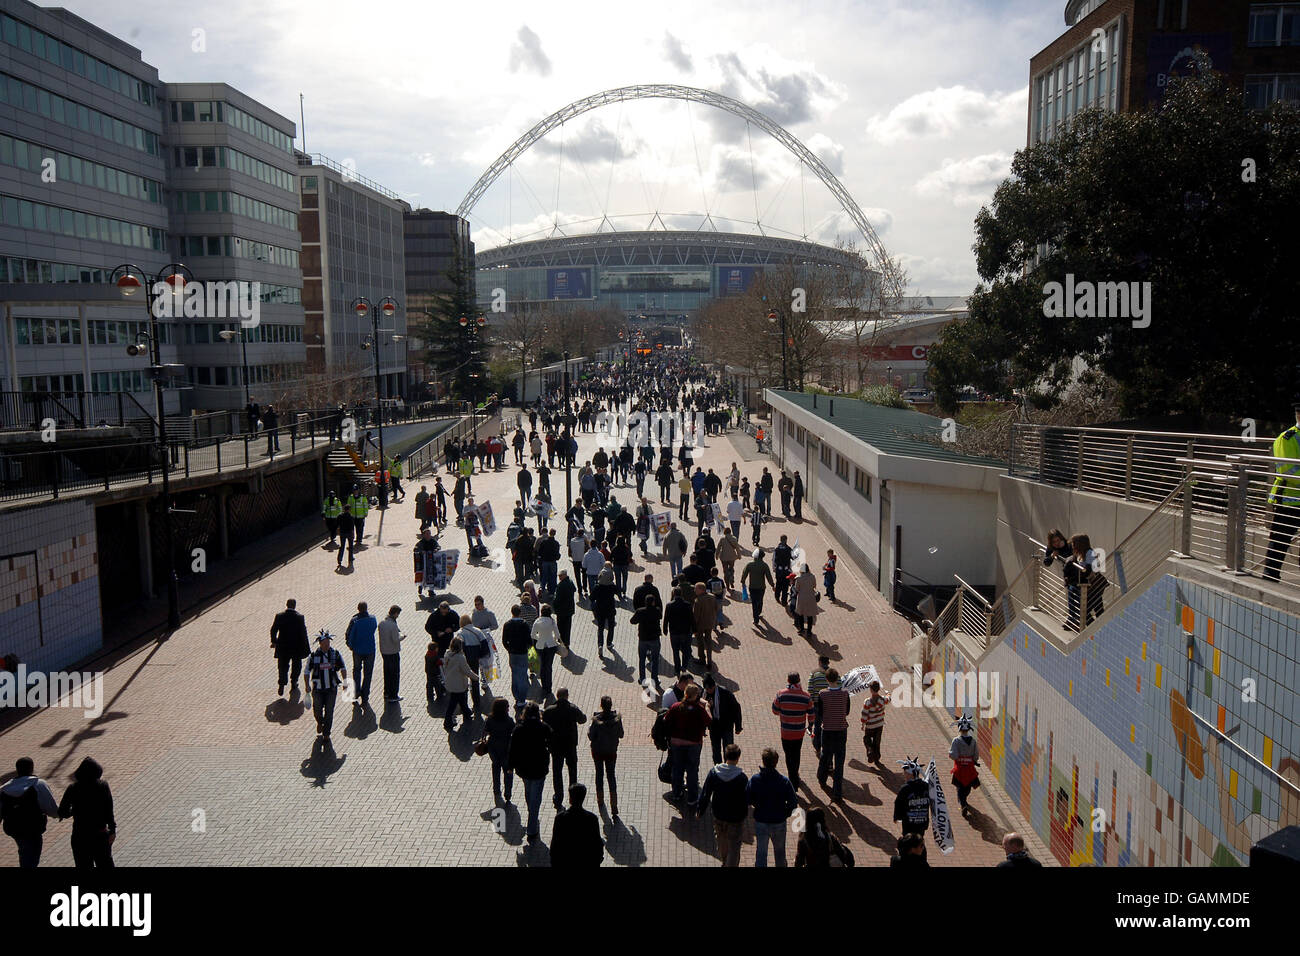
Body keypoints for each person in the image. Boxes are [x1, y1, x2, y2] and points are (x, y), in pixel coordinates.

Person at [57, 757, 115, 869]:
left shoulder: (73, 788)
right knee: (105, 864)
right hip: (100, 834)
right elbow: (109, 810)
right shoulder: (102, 786)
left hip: (80, 836)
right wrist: (112, 830)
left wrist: (74, 811)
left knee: (83, 864)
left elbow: (62, 812)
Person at [696, 743, 748, 867]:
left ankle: (725, 862)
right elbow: (747, 798)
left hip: (719, 814)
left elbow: (705, 793)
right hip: (735, 817)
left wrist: (700, 810)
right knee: (734, 846)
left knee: (722, 842)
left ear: (725, 756)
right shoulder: (742, 778)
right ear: (738, 758)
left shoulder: (714, 773)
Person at [1, 757, 60, 868]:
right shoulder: (38, 784)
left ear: (17, 770)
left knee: (24, 850)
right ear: (31, 769)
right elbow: (51, 808)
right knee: (32, 857)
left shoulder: (5, 788)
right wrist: (59, 814)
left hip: (14, 828)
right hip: (33, 828)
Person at [1265, 397, 1300, 581]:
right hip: (1288, 500)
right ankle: (1270, 577)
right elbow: (1289, 472)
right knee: (1280, 541)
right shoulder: (1287, 438)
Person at [508, 702, 554, 842]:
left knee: (528, 792)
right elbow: (551, 742)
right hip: (539, 767)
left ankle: (532, 817)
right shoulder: (543, 727)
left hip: (524, 767)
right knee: (536, 796)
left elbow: (513, 749)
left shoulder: (519, 729)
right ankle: (532, 826)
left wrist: (510, 766)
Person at [746, 747, 798, 867]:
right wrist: (785, 813)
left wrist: (756, 805)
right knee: (780, 854)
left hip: (761, 821)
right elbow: (793, 803)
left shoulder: (755, 779)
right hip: (778, 821)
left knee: (761, 854)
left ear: (763, 761)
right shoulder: (784, 781)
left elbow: (747, 798)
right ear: (776, 762)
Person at [665, 682, 712, 805]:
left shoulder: (676, 707)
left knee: (677, 768)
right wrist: (707, 707)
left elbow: (666, 719)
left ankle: (677, 793)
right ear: (696, 695)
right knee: (692, 770)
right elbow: (709, 721)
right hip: (694, 743)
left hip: (676, 743)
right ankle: (692, 798)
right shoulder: (699, 710)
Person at [772, 673, 814, 789]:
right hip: (799, 732)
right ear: (799, 680)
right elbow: (811, 713)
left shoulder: (781, 694)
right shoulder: (806, 696)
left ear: (788, 680)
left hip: (786, 731)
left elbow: (775, 710)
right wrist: (810, 724)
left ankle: (792, 778)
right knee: (796, 754)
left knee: (788, 754)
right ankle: (794, 775)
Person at [816, 668, 850, 801]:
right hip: (841, 730)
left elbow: (820, 712)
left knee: (826, 755)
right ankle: (837, 792)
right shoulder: (845, 694)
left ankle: (822, 778)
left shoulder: (822, 694)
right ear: (837, 679)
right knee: (839, 761)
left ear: (827, 679)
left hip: (828, 729)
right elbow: (846, 711)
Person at [550, 783, 604, 866]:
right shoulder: (591, 819)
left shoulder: (560, 818)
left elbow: (555, 845)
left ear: (570, 799)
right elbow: (596, 843)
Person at [587, 696, 624, 816]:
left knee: (599, 774)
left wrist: (589, 730)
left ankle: (600, 800)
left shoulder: (596, 720)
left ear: (601, 705)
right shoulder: (617, 719)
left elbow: (591, 736)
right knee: (611, 776)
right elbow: (621, 734)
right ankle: (614, 805)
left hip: (598, 752)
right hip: (611, 751)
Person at [307, 631, 347, 740]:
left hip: (331, 689)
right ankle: (320, 722)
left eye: (328, 643)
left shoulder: (335, 654)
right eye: (324, 643)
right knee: (317, 710)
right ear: (320, 644)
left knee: (329, 712)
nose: (327, 645)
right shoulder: (314, 656)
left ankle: (326, 733)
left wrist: (345, 682)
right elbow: (306, 671)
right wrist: (307, 685)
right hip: (318, 689)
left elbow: (343, 668)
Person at [270, 598, 310, 697]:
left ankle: (282, 684)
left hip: (282, 647)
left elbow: (273, 630)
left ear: (286, 605)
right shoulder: (300, 617)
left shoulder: (279, 616)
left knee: (282, 666)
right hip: (296, 647)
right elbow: (303, 633)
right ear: (294, 605)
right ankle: (294, 682)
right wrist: (306, 647)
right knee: (296, 666)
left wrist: (274, 641)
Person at [702, 673, 742, 766]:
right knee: (716, 750)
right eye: (707, 689)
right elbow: (702, 712)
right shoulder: (704, 695)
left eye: (710, 689)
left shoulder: (725, 693)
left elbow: (736, 709)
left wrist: (738, 726)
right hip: (714, 726)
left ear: (714, 686)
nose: (709, 691)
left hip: (726, 725)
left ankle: (728, 767)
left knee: (728, 749)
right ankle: (718, 767)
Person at [344, 602, 378, 709]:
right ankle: (365, 697)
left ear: (358, 609)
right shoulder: (373, 619)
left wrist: (350, 645)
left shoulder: (355, 621)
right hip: (370, 650)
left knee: (356, 671)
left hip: (358, 650)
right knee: (368, 674)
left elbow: (349, 634)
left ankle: (356, 693)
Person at [423, 600, 459, 701]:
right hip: (437, 642)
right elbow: (427, 627)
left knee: (448, 661)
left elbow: (458, 624)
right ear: (440, 609)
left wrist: (452, 629)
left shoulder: (452, 614)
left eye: (446, 612)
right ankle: (442, 683)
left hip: (448, 641)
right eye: (442, 612)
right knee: (439, 663)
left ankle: (448, 679)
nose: (444, 613)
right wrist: (436, 633)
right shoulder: (434, 615)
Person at [501, 605, 533, 714]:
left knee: (514, 674)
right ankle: (521, 699)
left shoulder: (507, 625)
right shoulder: (524, 624)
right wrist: (528, 647)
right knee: (523, 675)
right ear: (520, 613)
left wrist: (509, 649)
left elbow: (504, 640)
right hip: (523, 653)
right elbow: (529, 640)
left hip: (513, 654)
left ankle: (516, 695)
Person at [484, 698, 516, 806]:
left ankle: (496, 790)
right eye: (507, 706)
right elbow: (514, 733)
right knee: (508, 772)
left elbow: (485, 731)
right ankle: (508, 794)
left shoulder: (490, 719)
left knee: (495, 768)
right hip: (506, 749)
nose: (508, 708)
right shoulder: (509, 721)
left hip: (493, 748)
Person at [456, 613, 490, 711]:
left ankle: (464, 704)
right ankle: (477, 702)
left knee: (463, 681)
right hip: (475, 659)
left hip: (465, 659)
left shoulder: (460, 633)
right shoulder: (478, 631)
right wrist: (481, 656)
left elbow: (459, 647)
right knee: (475, 680)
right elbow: (484, 644)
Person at [441, 637, 476, 732]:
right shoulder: (460, 658)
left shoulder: (447, 654)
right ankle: (447, 721)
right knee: (453, 703)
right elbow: (466, 671)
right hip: (459, 684)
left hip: (450, 682)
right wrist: (475, 677)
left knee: (460, 699)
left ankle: (467, 712)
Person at [894, 758, 931, 845]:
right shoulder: (926, 786)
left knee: (908, 842)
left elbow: (898, 803)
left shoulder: (905, 788)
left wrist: (897, 816)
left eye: (905, 773)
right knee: (919, 841)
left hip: (909, 823)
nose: (904, 775)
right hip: (922, 822)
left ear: (910, 774)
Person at [950, 713, 981, 813]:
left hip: (959, 769)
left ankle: (963, 804)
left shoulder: (956, 741)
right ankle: (964, 800)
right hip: (970, 769)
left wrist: (952, 754)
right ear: (969, 729)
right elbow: (976, 755)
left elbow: (953, 755)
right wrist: (974, 760)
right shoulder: (973, 741)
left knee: (959, 787)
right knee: (967, 786)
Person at [532, 604, 562, 699]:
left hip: (540, 646)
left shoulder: (537, 621)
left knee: (542, 666)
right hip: (551, 646)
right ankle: (548, 688)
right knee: (548, 667)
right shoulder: (552, 622)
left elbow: (533, 635)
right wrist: (552, 638)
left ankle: (543, 685)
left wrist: (540, 639)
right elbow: (557, 635)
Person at [663, 585, 695, 672]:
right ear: (681, 594)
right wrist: (694, 629)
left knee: (675, 651)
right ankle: (684, 666)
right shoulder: (688, 605)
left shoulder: (669, 605)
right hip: (686, 631)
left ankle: (677, 668)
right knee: (686, 650)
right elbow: (692, 618)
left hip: (674, 632)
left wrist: (665, 629)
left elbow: (666, 618)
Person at [377, 605, 405, 703]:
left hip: (384, 651)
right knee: (394, 674)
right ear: (395, 613)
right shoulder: (393, 625)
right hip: (392, 652)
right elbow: (395, 639)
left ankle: (386, 692)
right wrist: (402, 637)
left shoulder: (381, 623)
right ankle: (393, 695)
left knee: (387, 673)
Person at [739, 548, 775, 625]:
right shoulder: (765, 565)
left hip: (752, 587)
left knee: (754, 602)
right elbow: (769, 577)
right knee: (760, 600)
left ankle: (756, 619)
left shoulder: (750, 565)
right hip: (761, 587)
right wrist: (772, 585)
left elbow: (744, 573)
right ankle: (758, 612)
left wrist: (743, 581)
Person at [591, 566, 619, 655]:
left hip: (599, 610)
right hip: (610, 609)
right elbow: (618, 591)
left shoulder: (597, 587)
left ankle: (600, 645)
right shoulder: (611, 587)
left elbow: (591, 598)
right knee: (611, 627)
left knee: (600, 628)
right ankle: (609, 643)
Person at [860, 680, 888, 765]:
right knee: (877, 740)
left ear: (871, 690)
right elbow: (888, 698)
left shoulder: (868, 702)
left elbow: (864, 714)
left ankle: (870, 750)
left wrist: (863, 724)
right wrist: (888, 693)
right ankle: (877, 757)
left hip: (870, 725)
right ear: (878, 689)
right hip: (879, 724)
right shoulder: (882, 700)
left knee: (867, 739)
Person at [691, 581, 718, 670]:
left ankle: (702, 658)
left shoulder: (698, 600)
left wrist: (694, 627)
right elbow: (716, 609)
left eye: (696, 589)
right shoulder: (713, 597)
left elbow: (696, 616)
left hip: (700, 625)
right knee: (708, 640)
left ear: (701, 590)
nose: (694, 590)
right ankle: (709, 660)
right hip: (710, 623)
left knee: (700, 641)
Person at [808, 655, 830, 757]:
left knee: (817, 726)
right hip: (829, 705)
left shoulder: (814, 673)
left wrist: (812, 702)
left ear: (820, 662)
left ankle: (817, 747)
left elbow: (810, 690)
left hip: (817, 704)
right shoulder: (834, 674)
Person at [792, 564, 820, 638]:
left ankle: (801, 630)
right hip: (810, 598)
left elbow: (797, 589)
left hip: (801, 598)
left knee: (800, 614)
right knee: (810, 615)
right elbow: (814, 586)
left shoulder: (799, 578)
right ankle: (809, 631)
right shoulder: (812, 576)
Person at [773, 536, 793, 605]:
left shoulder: (777, 549)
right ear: (786, 540)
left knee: (778, 584)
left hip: (779, 570)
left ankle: (777, 596)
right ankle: (784, 601)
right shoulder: (789, 549)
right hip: (786, 571)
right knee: (785, 587)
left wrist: (774, 568)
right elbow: (792, 559)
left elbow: (774, 560)